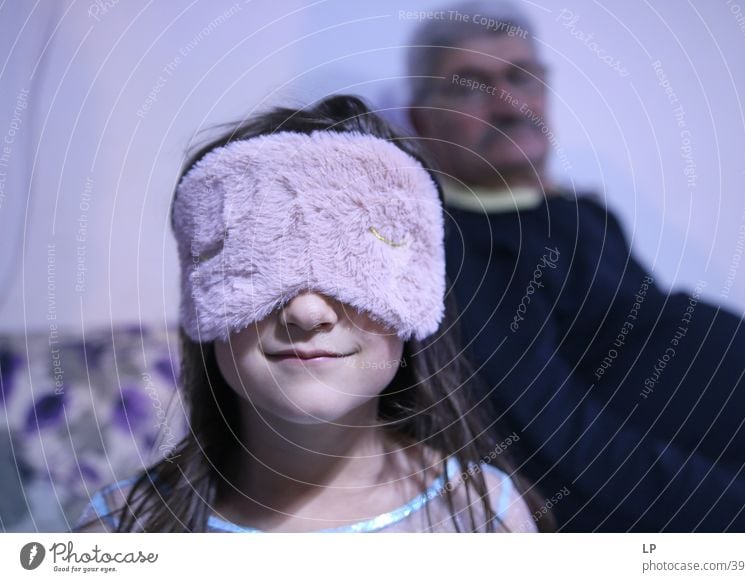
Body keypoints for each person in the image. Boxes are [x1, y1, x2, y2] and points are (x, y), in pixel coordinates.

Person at [73, 94, 552, 533]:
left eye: (352, 263)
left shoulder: (484, 516)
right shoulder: (122, 531)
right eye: (260, 262)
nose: (306, 312)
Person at [406, 1, 745, 531]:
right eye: (469, 85)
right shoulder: (455, 247)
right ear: (421, 119)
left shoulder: (586, 214)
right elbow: (557, 438)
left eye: (522, 77)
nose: (507, 103)